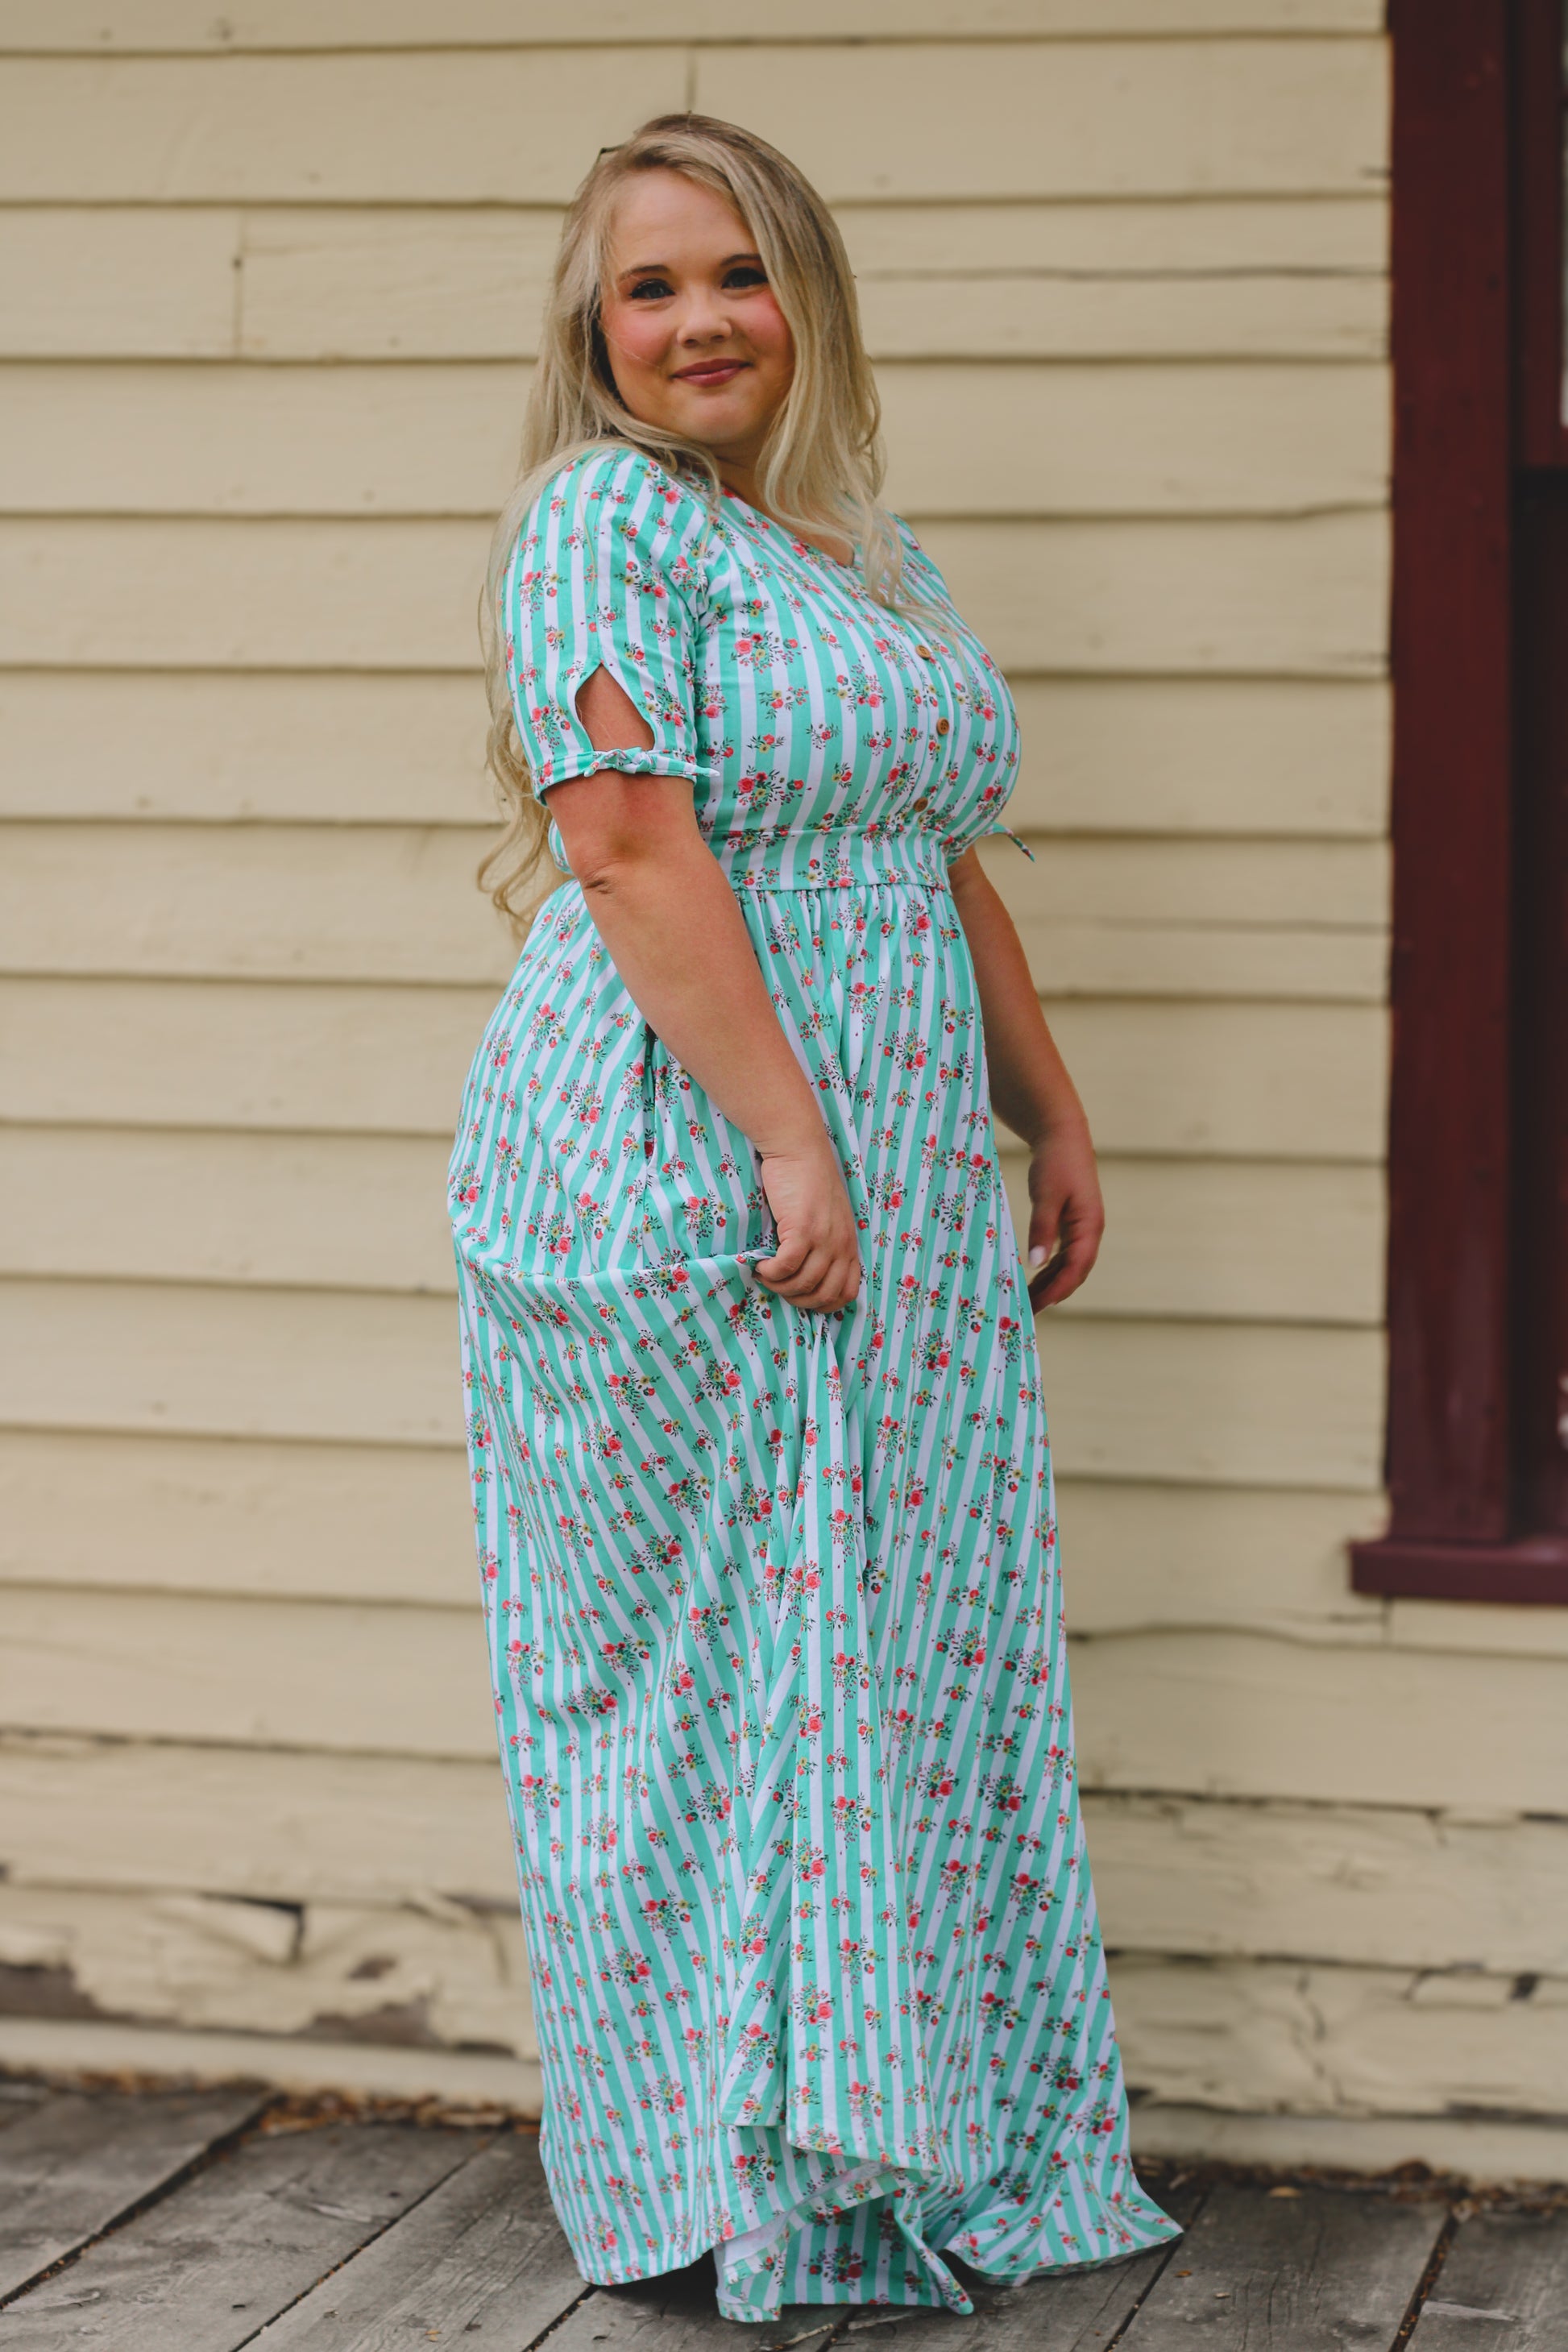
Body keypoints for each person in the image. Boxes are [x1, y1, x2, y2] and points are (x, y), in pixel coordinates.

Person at [449, 111, 1178, 2321]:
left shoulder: (861, 552)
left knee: (904, 1650)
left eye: (739, 273)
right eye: (649, 284)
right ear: (592, 326)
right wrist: (789, 1138)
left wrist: (1042, 1110)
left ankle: (907, 2156)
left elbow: (935, 847)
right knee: (727, 1678)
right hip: (686, 1159)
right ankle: (723, 2186)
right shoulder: (600, 522)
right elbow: (623, 844)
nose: (700, 320)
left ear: (809, 301)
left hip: (891, 1173)